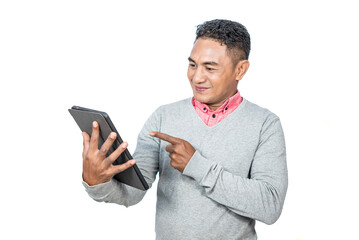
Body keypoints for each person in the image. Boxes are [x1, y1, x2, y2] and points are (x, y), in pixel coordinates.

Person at [81, 19, 288, 239]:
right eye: (192, 65)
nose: (197, 77)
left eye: (210, 68)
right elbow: (133, 192)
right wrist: (98, 182)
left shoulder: (265, 124)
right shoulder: (163, 117)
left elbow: (270, 205)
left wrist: (196, 166)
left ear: (240, 70)